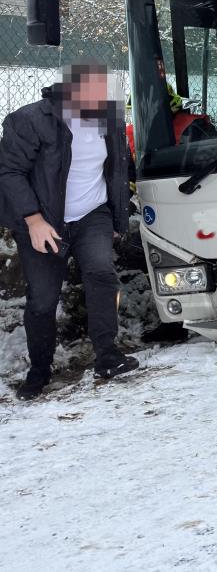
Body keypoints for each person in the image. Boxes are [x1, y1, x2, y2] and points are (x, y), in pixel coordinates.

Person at [1, 63, 138, 399]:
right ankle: (39, 373)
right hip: (45, 219)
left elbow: (118, 167)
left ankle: (107, 356)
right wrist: (33, 220)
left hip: (93, 214)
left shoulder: (109, 120)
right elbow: (9, 172)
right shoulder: (32, 120)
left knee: (102, 273)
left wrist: (117, 218)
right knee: (43, 298)